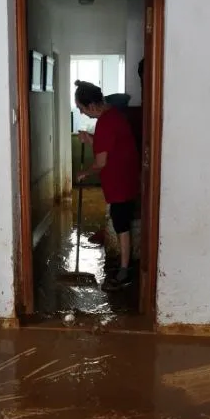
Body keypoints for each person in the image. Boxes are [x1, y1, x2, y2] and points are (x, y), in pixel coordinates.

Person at [74, 80, 141, 291]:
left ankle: (124, 272)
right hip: (126, 178)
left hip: (120, 182)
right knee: (121, 222)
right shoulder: (113, 116)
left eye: (82, 109)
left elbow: (101, 162)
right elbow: (109, 144)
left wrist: (85, 172)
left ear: (92, 106)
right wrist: (91, 138)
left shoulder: (105, 122)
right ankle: (124, 266)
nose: (83, 113)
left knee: (121, 225)